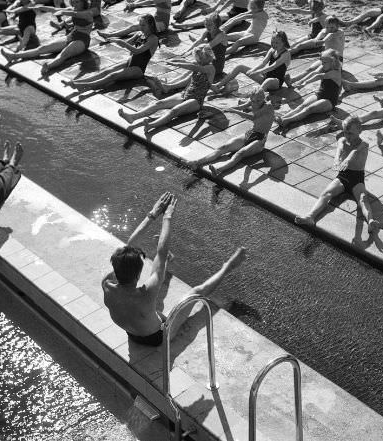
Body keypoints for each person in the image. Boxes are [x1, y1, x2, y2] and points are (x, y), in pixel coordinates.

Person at [102, 191, 245, 347]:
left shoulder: (107, 284)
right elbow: (162, 253)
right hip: (158, 338)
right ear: (137, 276)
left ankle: (166, 263)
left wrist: (153, 214)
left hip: (133, 334)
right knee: (195, 292)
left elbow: (130, 247)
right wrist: (167, 216)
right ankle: (228, 267)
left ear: (116, 269)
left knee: (157, 276)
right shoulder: (146, 294)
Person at [295, 115, 379, 234]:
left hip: (357, 179)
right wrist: (336, 159)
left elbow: (355, 151)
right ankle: (310, 217)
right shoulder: (342, 140)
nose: (348, 136)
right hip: (343, 176)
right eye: (345, 133)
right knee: (326, 193)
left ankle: (370, 221)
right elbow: (339, 149)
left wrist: (347, 160)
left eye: (351, 133)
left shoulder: (364, 144)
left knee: (363, 199)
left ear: (360, 131)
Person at [118, 45, 215, 131]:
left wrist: (177, 64)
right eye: (197, 57)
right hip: (184, 94)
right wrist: (173, 60)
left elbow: (196, 68)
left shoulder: (210, 68)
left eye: (199, 57)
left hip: (196, 100)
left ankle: (151, 125)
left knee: (174, 111)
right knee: (159, 103)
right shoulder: (199, 63)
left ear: (206, 57)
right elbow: (188, 62)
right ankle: (132, 117)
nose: (197, 59)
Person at [1, 0, 93, 76]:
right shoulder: (72, 9)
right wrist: (41, 7)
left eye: (78, 2)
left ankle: (48, 66)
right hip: (72, 35)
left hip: (82, 40)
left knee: (64, 54)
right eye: (74, 2)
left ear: (83, 2)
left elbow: (76, 14)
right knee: (42, 48)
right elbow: (54, 9)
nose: (75, 4)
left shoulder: (88, 13)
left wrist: (63, 12)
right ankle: (13, 56)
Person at [190, 88, 275, 174]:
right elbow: (239, 107)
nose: (255, 103)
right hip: (251, 133)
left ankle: (218, 170)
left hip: (260, 139)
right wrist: (225, 110)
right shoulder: (252, 101)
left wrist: (234, 111)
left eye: (258, 100)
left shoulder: (268, 107)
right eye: (253, 101)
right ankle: (196, 162)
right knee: (223, 147)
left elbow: (252, 117)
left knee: (240, 153)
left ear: (263, 98)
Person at [65, 15, 159, 91]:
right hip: (130, 62)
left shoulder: (153, 39)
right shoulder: (139, 34)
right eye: (140, 24)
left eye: (143, 25)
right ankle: (78, 81)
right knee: (106, 71)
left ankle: (86, 85)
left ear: (150, 25)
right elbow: (127, 43)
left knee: (113, 76)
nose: (141, 27)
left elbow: (136, 51)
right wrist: (115, 40)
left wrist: (121, 43)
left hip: (138, 69)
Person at [275, 50, 342, 131]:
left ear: (332, 62)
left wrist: (305, 83)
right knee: (302, 106)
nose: (322, 64)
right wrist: (302, 81)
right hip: (320, 94)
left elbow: (319, 76)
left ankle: (287, 121)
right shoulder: (324, 66)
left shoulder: (336, 72)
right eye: (322, 62)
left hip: (329, 101)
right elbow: (314, 73)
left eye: (324, 62)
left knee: (309, 109)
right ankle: (283, 117)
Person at [210, 31, 291, 95]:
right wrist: (253, 70)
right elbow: (263, 63)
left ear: (284, 43)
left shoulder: (285, 54)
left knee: (268, 81)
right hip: (265, 77)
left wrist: (257, 72)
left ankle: (251, 100)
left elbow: (273, 66)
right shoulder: (272, 50)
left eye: (277, 43)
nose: (274, 45)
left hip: (275, 82)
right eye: (273, 42)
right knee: (240, 67)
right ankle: (218, 85)